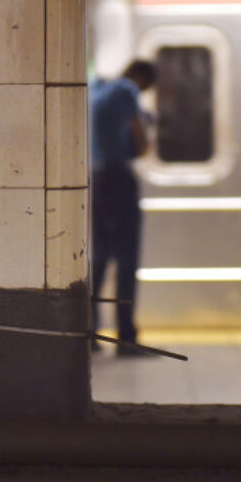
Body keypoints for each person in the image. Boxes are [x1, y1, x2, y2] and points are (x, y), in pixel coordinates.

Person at [89, 59, 156, 354]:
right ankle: (125, 336)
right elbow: (141, 143)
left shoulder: (97, 86)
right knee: (127, 260)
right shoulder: (127, 89)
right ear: (141, 78)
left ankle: (89, 333)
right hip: (119, 177)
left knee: (100, 258)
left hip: (97, 179)